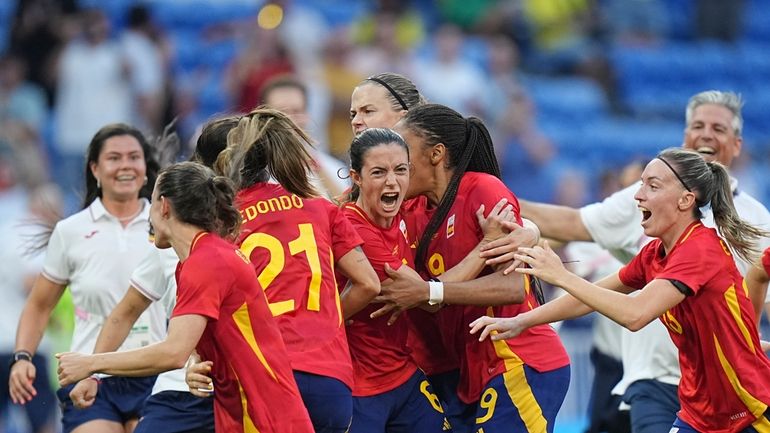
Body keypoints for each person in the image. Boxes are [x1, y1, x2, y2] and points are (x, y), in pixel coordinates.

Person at [513, 90, 770, 433]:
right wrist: (521, 322)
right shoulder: (655, 251)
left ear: (684, 199)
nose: (637, 195)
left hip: (745, 407)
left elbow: (634, 314)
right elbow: (585, 295)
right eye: (697, 125)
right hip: (682, 399)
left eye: (650, 186)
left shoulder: (703, 247)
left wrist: (560, 275)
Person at [57, 161, 314, 433]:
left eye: (152, 201)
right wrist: (195, 363)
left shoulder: (206, 261)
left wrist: (91, 364)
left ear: (164, 206)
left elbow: (172, 352)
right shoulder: (195, 261)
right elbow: (207, 340)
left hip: (264, 418)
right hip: (243, 414)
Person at [377, 104, 569, 433]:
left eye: (403, 154)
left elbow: (510, 286)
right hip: (467, 371)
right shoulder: (411, 210)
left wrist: (432, 291)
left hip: (516, 358)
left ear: (436, 154)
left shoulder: (483, 189)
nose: (395, 167)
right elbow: (421, 295)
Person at [63, 121, 243, 433]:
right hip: (178, 391)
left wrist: (91, 364)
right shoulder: (167, 247)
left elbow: (175, 350)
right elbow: (125, 312)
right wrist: (94, 375)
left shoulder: (244, 242)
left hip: (238, 389)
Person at [211, 108, 380, 432]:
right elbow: (369, 284)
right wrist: (324, 316)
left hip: (264, 372)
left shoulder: (227, 219)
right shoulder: (320, 206)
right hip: (330, 381)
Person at [341, 127, 520, 433]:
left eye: (400, 170)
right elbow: (428, 299)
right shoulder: (351, 226)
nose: (392, 181)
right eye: (379, 172)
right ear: (356, 177)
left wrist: (529, 232)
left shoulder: (400, 217)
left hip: (403, 375)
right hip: (360, 383)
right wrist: (486, 246)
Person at [10, 123, 165, 433]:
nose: (125, 165)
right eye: (114, 158)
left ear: (146, 168)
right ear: (95, 168)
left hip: (155, 373)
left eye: (134, 157)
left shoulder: (169, 226)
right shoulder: (71, 232)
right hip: (89, 375)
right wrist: (22, 357)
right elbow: (40, 305)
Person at [259, 75, 348, 198]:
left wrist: (318, 168)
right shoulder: (246, 170)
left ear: (307, 114)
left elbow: (348, 211)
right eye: (280, 112)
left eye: (296, 111)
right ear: (262, 116)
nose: (289, 119)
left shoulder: (334, 169)